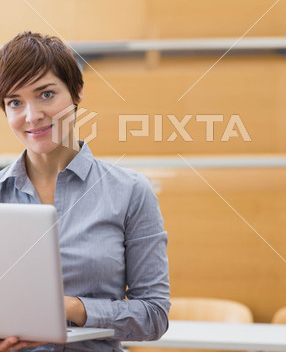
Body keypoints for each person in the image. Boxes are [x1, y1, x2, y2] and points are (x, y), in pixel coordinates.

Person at [0, 32, 170, 352]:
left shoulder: (130, 191)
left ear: (77, 92)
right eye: (14, 102)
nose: (32, 115)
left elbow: (154, 315)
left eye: (46, 94)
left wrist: (70, 309)